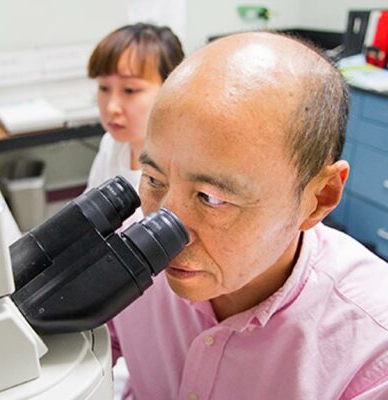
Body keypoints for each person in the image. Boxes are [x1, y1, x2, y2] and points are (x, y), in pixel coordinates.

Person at [109, 32, 388, 399]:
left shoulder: (371, 347)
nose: (163, 230)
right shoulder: (125, 247)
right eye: (154, 180)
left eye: (211, 198)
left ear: (320, 197)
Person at [86, 23, 184, 200]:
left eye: (130, 90)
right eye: (104, 87)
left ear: (171, 88)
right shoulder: (112, 145)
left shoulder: (186, 168)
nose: (111, 108)